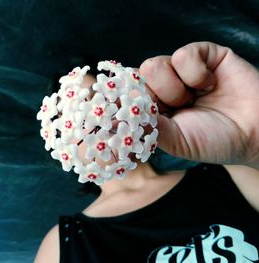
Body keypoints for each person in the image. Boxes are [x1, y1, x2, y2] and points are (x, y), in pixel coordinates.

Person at [34, 41, 259, 262]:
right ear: (59, 141)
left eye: (101, 98)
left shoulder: (233, 172)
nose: (95, 116)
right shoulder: (61, 244)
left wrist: (254, 140)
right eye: (76, 115)